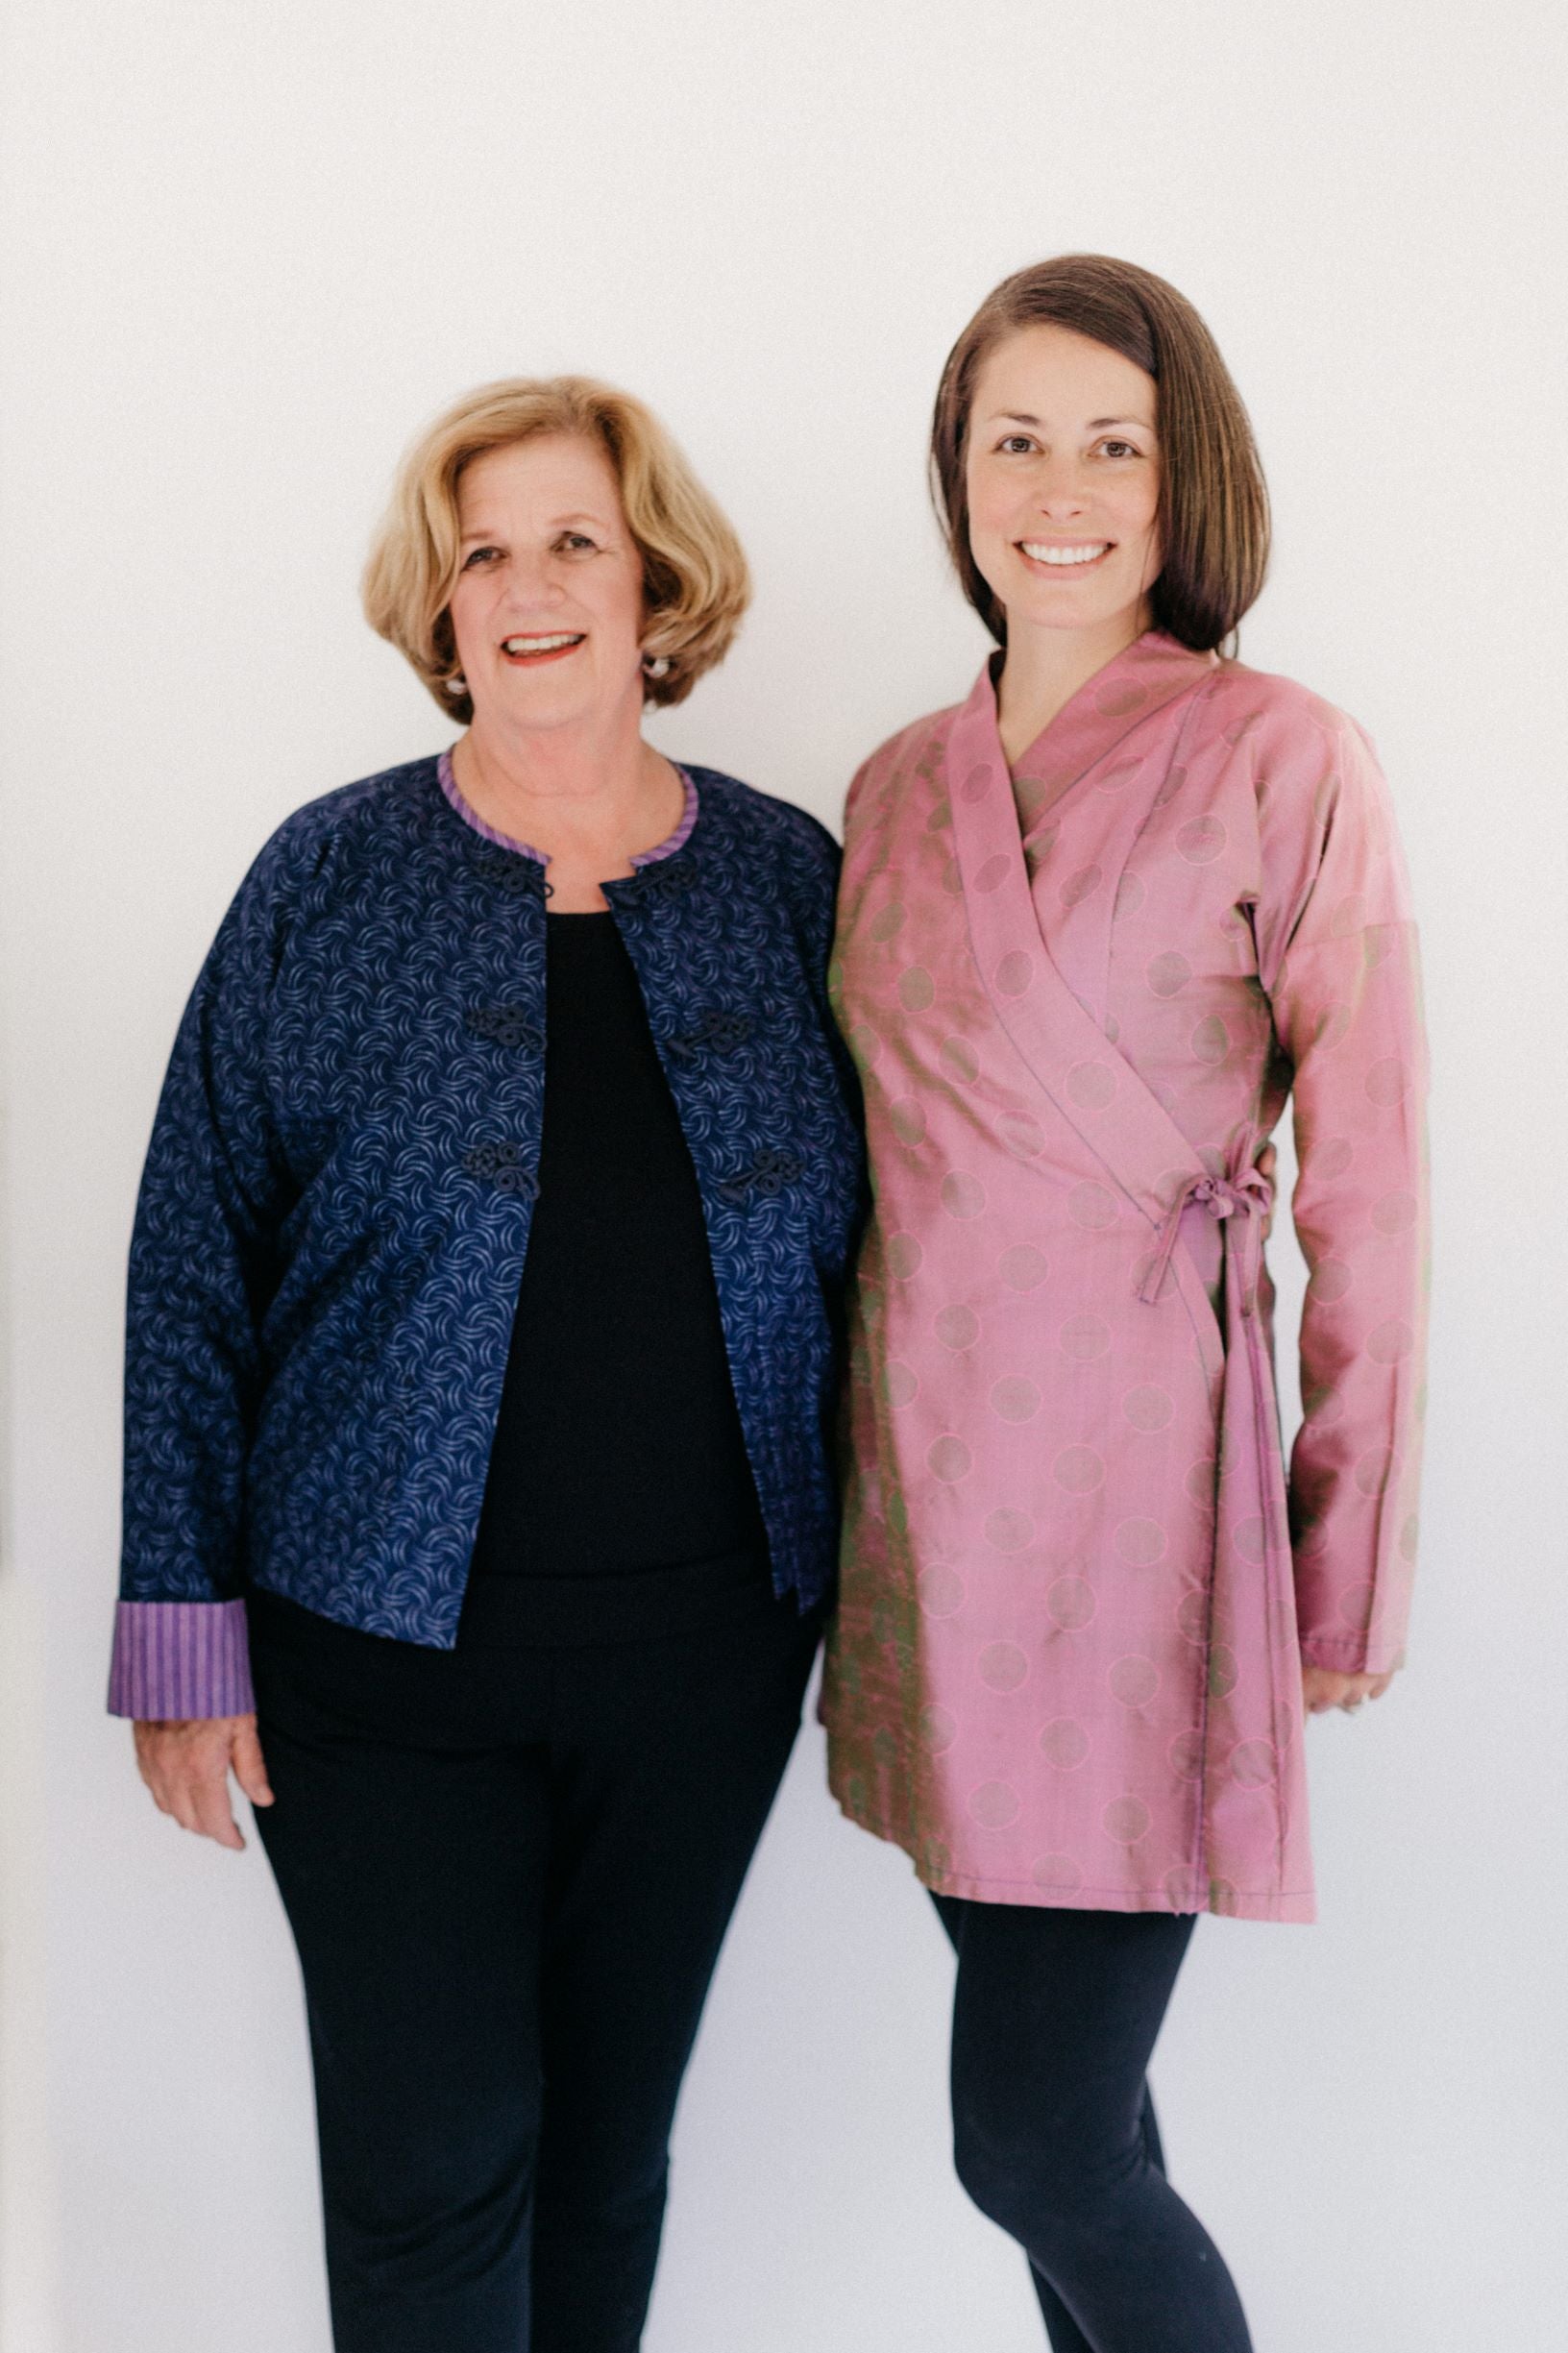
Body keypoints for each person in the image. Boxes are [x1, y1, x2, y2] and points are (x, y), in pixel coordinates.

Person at [109, 375, 865, 2353]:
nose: (530, 590)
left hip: (708, 1656)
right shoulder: (326, 880)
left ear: (655, 583)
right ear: (440, 609)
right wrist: (181, 1632)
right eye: (484, 555)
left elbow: (908, 1240)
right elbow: (193, 1253)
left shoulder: (793, 883)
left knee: (611, 2157)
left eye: (574, 544)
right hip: (375, 1662)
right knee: (439, 2166)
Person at [821, 255, 1428, 2352]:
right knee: (1091, 2134)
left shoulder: (1287, 754)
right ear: (956, 473)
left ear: (1187, 483)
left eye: (1114, 442)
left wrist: (1336, 1563)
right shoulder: (892, 791)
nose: (1057, 486)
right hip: (921, 1527)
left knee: (1038, 2145)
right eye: (1015, 437)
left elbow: (1373, 1187)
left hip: (1142, 1533)